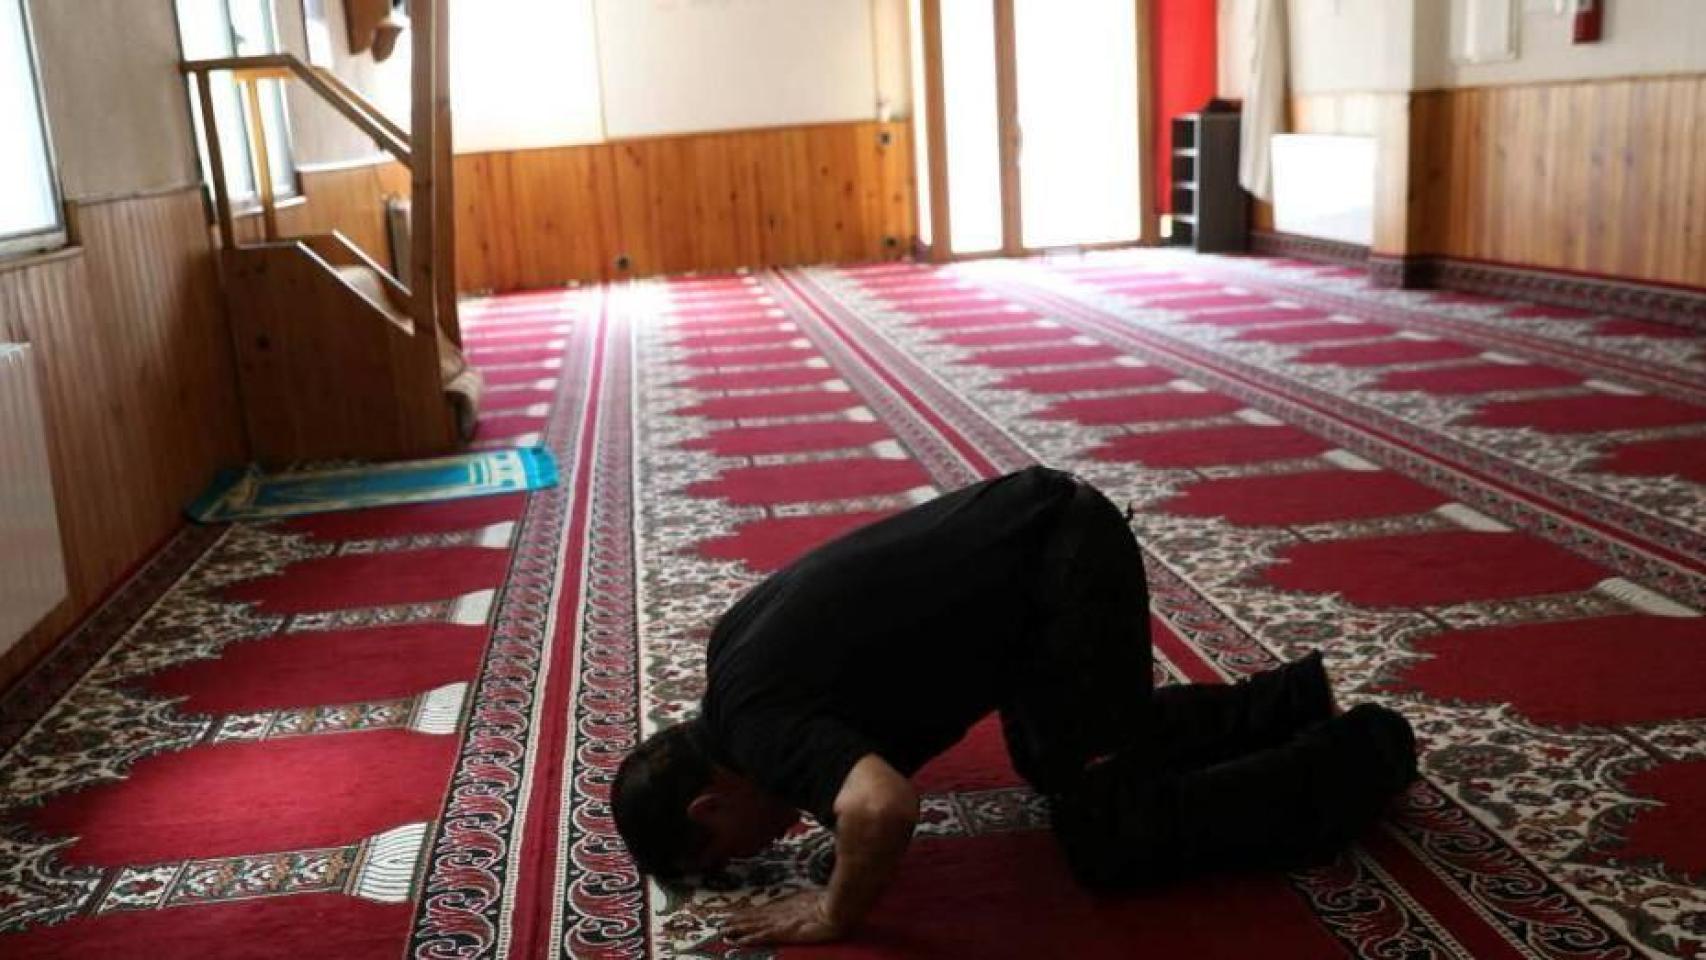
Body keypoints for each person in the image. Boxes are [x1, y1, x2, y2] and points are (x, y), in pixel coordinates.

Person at [613, 466, 1418, 946]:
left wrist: (833, 912)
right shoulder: (732, 673)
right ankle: (1291, 699)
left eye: (727, 853)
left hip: (1060, 566)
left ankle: (1367, 750)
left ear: (709, 803)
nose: (761, 853)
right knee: (1054, 759)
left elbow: (884, 808)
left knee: (1112, 834)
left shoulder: (758, 732)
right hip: (1034, 543)